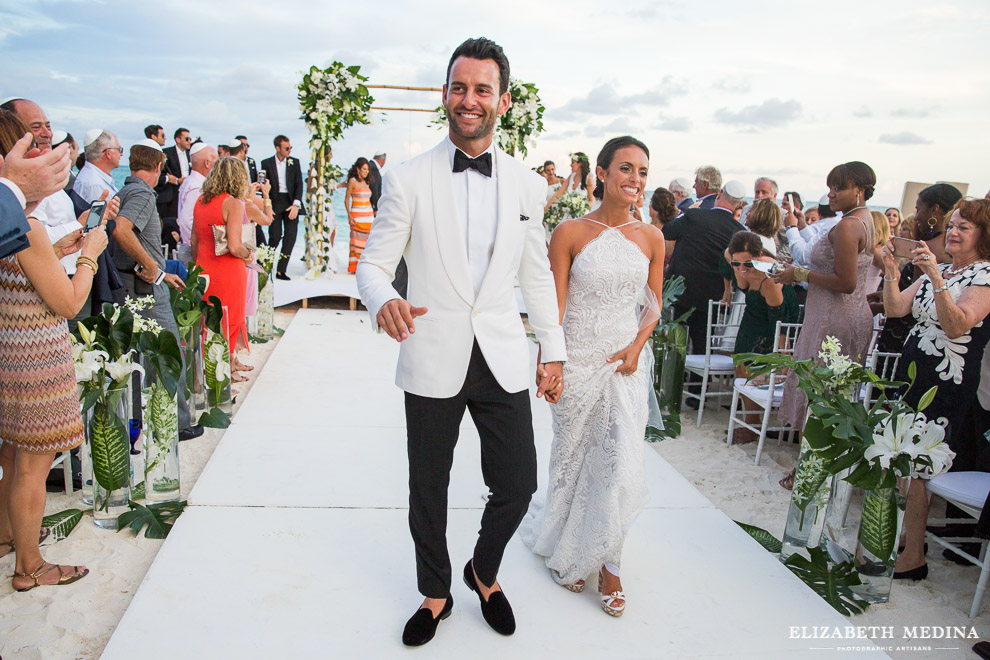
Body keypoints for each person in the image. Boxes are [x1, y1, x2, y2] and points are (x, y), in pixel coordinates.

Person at [355, 36, 566, 647]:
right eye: (459, 87)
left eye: (481, 89)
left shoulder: (529, 184)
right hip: (431, 350)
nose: (468, 100)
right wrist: (383, 298)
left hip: (501, 354)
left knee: (520, 482)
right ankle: (436, 592)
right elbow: (372, 265)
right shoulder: (408, 178)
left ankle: (484, 569)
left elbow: (535, 277)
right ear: (445, 94)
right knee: (430, 485)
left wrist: (551, 348)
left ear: (502, 100)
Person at [519, 135, 664, 617]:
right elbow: (552, 308)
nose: (635, 180)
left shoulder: (652, 238)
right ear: (600, 173)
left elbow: (653, 308)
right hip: (577, 361)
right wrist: (548, 361)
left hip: (624, 367)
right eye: (625, 168)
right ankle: (567, 544)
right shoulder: (569, 232)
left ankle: (611, 564)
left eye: (642, 171)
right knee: (572, 457)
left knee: (619, 462)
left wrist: (637, 348)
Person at [0, 112, 106, 591]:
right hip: (37, 356)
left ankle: (7, 536)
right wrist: (90, 253)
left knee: (12, 453)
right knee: (33, 464)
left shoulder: (11, 224)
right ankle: (30, 567)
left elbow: (22, 269)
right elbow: (67, 301)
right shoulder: (25, 225)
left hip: (10, 350)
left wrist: (62, 244)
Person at [881, 198, 990, 580]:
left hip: (948, 382)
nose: (954, 232)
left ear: (983, 236)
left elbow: (958, 324)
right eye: (953, 225)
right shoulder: (936, 270)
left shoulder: (985, 276)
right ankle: (907, 543)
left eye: (964, 227)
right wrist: (892, 270)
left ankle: (913, 557)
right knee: (901, 461)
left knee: (920, 466)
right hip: (914, 377)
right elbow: (895, 309)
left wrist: (939, 281)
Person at [772, 162, 878, 489]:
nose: (830, 194)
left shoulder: (847, 226)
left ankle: (811, 471)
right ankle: (816, 468)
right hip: (842, 315)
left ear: (859, 190)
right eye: (830, 187)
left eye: (838, 188)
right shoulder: (866, 220)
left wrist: (798, 274)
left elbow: (845, 282)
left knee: (819, 397)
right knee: (831, 396)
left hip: (834, 319)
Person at [111, 139, 203, 442]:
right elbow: (122, 229)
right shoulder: (141, 193)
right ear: (159, 166)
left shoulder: (123, 190)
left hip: (133, 285)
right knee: (167, 353)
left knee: (140, 360)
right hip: (144, 290)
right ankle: (175, 424)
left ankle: (150, 421)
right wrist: (150, 266)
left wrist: (160, 272)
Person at [192, 157, 271, 371]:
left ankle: (224, 365)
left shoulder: (200, 201)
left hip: (203, 269)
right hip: (228, 271)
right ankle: (225, 371)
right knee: (230, 318)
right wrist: (249, 255)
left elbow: (194, 242)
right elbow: (235, 246)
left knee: (210, 320)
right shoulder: (233, 203)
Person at [722, 230, 799, 443]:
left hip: (774, 317)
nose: (742, 268)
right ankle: (751, 423)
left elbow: (780, 321)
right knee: (740, 360)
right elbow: (737, 276)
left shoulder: (769, 276)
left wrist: (783, 356)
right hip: (753, 312)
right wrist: (728, 286)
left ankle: (753, 426)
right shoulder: (734, 260)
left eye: (747, 263)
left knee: (753, 366)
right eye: (737, 263)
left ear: (757, 257)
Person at [662, 179, 746, 355]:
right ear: (739, 204)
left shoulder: (695, 216)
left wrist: (685, 214)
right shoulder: (738, 231)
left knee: (674, 347)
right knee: (702, 348)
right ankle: (699, 381)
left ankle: (674, 378)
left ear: (720, 194)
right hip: (710, 298)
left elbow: (667, 231)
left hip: (680, 292)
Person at [261, 135, 303, 280]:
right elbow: (262, 186)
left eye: (290, 147)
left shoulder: (295, 162)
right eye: (286, 148)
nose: (289, 150)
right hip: (274, 202)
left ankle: (281, 270)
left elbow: (299, 185)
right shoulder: (266, 163)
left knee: (291, 237)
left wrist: (296, 205)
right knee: (275, 236)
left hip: (291, 202)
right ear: (277, 148)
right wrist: (267, 205)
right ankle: (266, 268)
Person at [176, 142, 218, 264]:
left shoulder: (191, 181)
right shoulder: (197, 186)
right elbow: (186, 221)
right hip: (193, 250)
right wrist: (197, 246)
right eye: (216, 161)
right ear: (207, 163)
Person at [73, 129, 120, 203]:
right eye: (119, 149)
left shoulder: (93, 177)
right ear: (108, 153)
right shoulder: (95, 185)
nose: (121, 154)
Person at [345, 157, 374, 274]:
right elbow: (346, 199)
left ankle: (365, 266)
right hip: (357, 216)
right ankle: (355, 268)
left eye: (367, 170)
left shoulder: (367, 182)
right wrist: (349, 216)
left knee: (367, 243)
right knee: (356, 243)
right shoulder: (353, 181)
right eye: (364, 169)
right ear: (358, 169)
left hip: (369, 216)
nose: (366, 172)